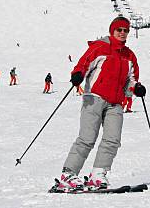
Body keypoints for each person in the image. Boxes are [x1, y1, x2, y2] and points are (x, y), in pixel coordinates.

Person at [55, 16, 142, 192]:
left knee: (113, 139)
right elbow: (84, 63)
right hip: (95, 97)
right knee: (87, 138)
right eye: (119, 30)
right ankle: (68, 175)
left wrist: (136, 88)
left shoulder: (129, 55)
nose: (122, 33)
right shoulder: (100, 47)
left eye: (125, 30)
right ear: (112, 31)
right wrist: (78, 74)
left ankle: (98, 174)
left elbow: (131, 79)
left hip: (116, 102)